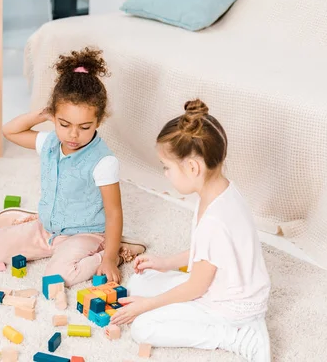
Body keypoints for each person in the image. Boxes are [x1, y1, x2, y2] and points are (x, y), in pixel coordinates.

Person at [111, 99, 271, 362]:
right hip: (226, 287)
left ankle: (236, 336)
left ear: (193, 167)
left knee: (143, 327)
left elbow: (196, 287)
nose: (165, 174)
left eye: (167, 167)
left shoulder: (214, 221)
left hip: (227, 307)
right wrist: (165, 263)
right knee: (139, 282)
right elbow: (206, 254)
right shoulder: (222, 191)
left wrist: (148, 306)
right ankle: (233, 325)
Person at [0, 47, 146, 285]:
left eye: (85, 127)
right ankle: (35, 223)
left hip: (85, 233)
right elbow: (9, 131)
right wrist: (43, 114)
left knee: (58, 277)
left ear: (98, 121)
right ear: (54, 117)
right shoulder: (50, 142)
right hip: (47, 229)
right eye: (64, 123)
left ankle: (116, 249)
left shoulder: (103, 161)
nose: (73, 134)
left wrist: (108, 259)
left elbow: (113, 212)